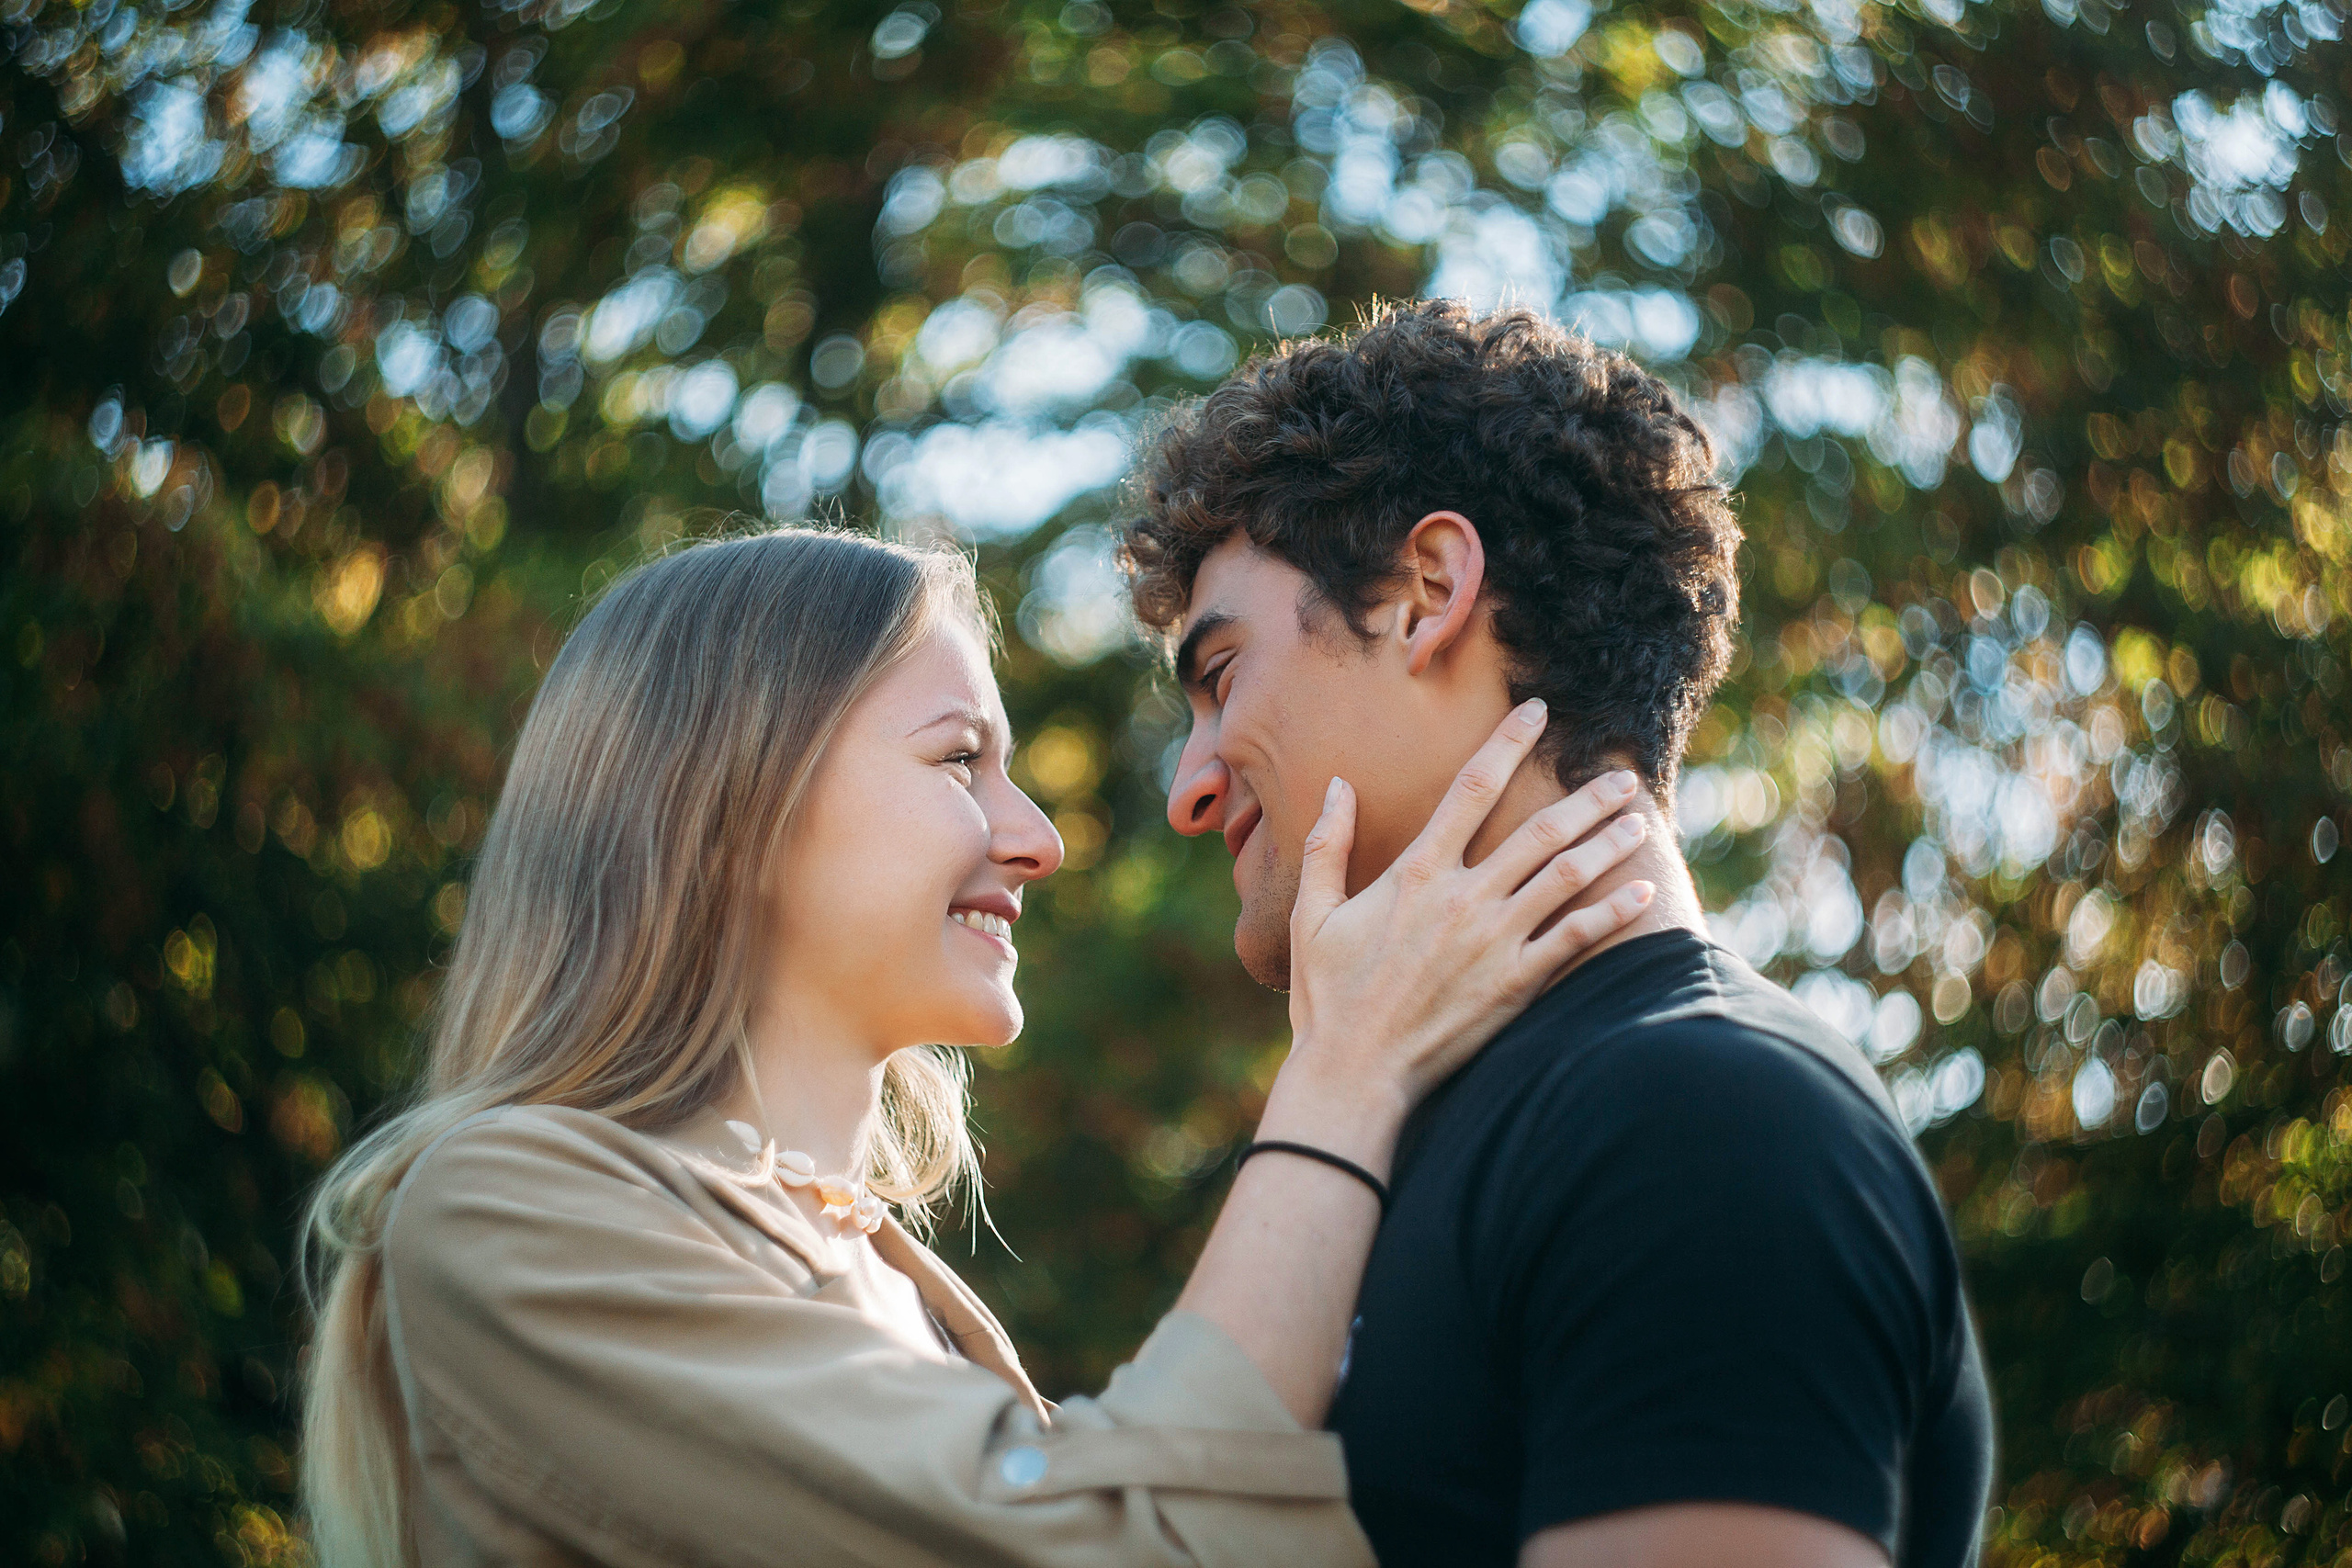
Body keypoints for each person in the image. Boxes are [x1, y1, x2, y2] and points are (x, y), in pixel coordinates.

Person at [296, 525, 1656, 1567]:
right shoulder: (506, 1212)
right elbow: (1111, 1549)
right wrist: (1345, 1076)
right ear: (729, 801)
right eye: (960, 761)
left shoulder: (918, 1297)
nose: (1039, 840)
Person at [1124, 299, 1996, 1568]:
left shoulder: (1697, 1120)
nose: (1189, 786)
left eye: (1220, 678)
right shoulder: (1379, 1133)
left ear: (1427, 594)